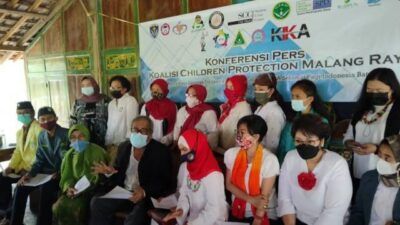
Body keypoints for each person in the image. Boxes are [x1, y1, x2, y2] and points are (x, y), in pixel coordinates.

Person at [90, 116, 174, 225]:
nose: (138, 133)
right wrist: (109, 173)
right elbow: (118, 173)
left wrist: (144, 192)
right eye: (135, 130)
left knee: (135, 219)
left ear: (150, 133)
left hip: (145, 197)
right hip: (123, 192)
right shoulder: (124, 147)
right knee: (97, 202)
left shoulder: (161, 151)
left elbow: (164, 181)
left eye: (143, 131)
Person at [278, 114, 352, 225]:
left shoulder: (337, 164)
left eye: (310, 141)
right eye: (299, 141)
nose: (304, 145)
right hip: (296, 220)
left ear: (321, 141)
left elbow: (333, 212)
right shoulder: (290, 157)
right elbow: (285, 198)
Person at [10, 107, 69, 225]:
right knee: (21, 186)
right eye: (43, 119)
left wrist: (59, 173)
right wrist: (29, 174)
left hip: (62, 174)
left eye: (50, 118)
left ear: (56, 118)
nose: (46, 122)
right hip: (45, 174)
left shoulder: (67, 134)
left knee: (46, 189)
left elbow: (71, 160)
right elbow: (39, 160)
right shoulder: (42, 136)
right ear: (39, 121)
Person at [343, 68, 400, 191]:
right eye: (370, 90)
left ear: (392, 89)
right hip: (359, 170)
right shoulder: (362, 110)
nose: (374, 93)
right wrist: (349, 143)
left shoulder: (397, 111)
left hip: (387, 172)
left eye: (379, 90)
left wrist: (377, 149)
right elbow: (349, 135)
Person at [163, 129, 228, 225]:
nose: (181, 154)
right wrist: (181, 209)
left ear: (197, 148)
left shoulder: (214, 175)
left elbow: (215, 211)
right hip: (193, 219)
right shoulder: (187, 167)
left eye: (184, 149)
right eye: (180, 150)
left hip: (211, 221)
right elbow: (184, 193)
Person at [225, 115, 280, 225]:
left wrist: (258, 219)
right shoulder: (231, 154)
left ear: (255, 137)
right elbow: (229, 184)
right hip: (238, 209)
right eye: (238, 132)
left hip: (264, 213)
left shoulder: (269, 160)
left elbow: (264, 198)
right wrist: (251, 199)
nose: (238, 136)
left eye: (242, 132)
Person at [52, 124, 108, 225]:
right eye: (73, 137)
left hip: (92, 190)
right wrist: (69, 188)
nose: (77, 140)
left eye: (81, 136)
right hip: (74, 191)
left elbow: (97, 176)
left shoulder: (97, 151)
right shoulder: (69, 155)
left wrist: (81, 190)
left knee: (76, 208)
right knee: (59, 206)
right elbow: (67, 176)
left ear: (87, 136)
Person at [347, 134, 400, 225]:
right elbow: (358, 212)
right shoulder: (368, 178)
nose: (381, 161)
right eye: (380, 156)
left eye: (387, 158)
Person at [0, 102, 42, 212]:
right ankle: (3, 211)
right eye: (19, 113)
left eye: (25, 113)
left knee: (20, 187)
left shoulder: (39, 129)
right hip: (21, 167)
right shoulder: (20, 132)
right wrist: (10, 166)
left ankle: (9, 216)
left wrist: (28, 170)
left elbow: (41, 154)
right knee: (2, 177)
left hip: (34, 169)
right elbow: (18, 152)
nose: (22, 116)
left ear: (32, 113)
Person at [277, 79, 331, 163]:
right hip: (289, 162)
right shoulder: (291, 120)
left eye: (298, 96)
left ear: (310, 99)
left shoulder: (321, 122)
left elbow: (323, 148)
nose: (294, 100)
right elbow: (282, 147)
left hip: (310, 164)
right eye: (292, 96)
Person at [105, 75, 139, 163]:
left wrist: (128, 142)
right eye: (112, 87)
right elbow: (110, 124)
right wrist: (108, 141)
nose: (114, 90)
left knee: (122, 167)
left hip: (124, 143)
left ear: (125, 89)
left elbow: (131, 123)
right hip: (111, 143)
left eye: (117, 87)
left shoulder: (130, 101)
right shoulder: (111, 103)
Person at [173, 84, 218, 149]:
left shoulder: (209, 112)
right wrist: (175, 140)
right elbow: (177, 127)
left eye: (193, 95)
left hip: (200, 148)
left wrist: (201, 138)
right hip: (182, 148)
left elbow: (214, 134)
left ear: (201, 96)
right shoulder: (182, 110)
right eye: (187, 95)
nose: (189, 97)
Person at [70, 76, 110, 147]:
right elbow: (72, 121)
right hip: (82, 140)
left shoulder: (106, 101)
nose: (85, 87)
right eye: (83, 86)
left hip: (104, 140)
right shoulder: (77, 103)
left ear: (95, 85)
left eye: (88, 85)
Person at [217, 74, 252, 154]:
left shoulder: (244, 107)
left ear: (240, 88)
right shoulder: (228, 105)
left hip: (233, 153)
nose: (228, 90)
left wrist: (234, 154)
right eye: (227, 87)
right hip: (221, 150)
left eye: (232, 87)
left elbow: (244, 134)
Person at [253, 73, 286, 154]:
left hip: (264, 157)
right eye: (256, 89)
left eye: (261, 90)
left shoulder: (274, 112)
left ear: (271, 91)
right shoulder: (260, 107)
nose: (257, 92)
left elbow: (272, 145)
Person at [140, 79, 177, 146]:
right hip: (149, 142)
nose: (155, 92)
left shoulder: (172, 106)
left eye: (158, 89)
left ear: (164, 90)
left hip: (166, 142)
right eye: (153, 89)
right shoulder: (146, 106)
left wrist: (167, 139)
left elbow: (174, 124)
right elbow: (142, 124)